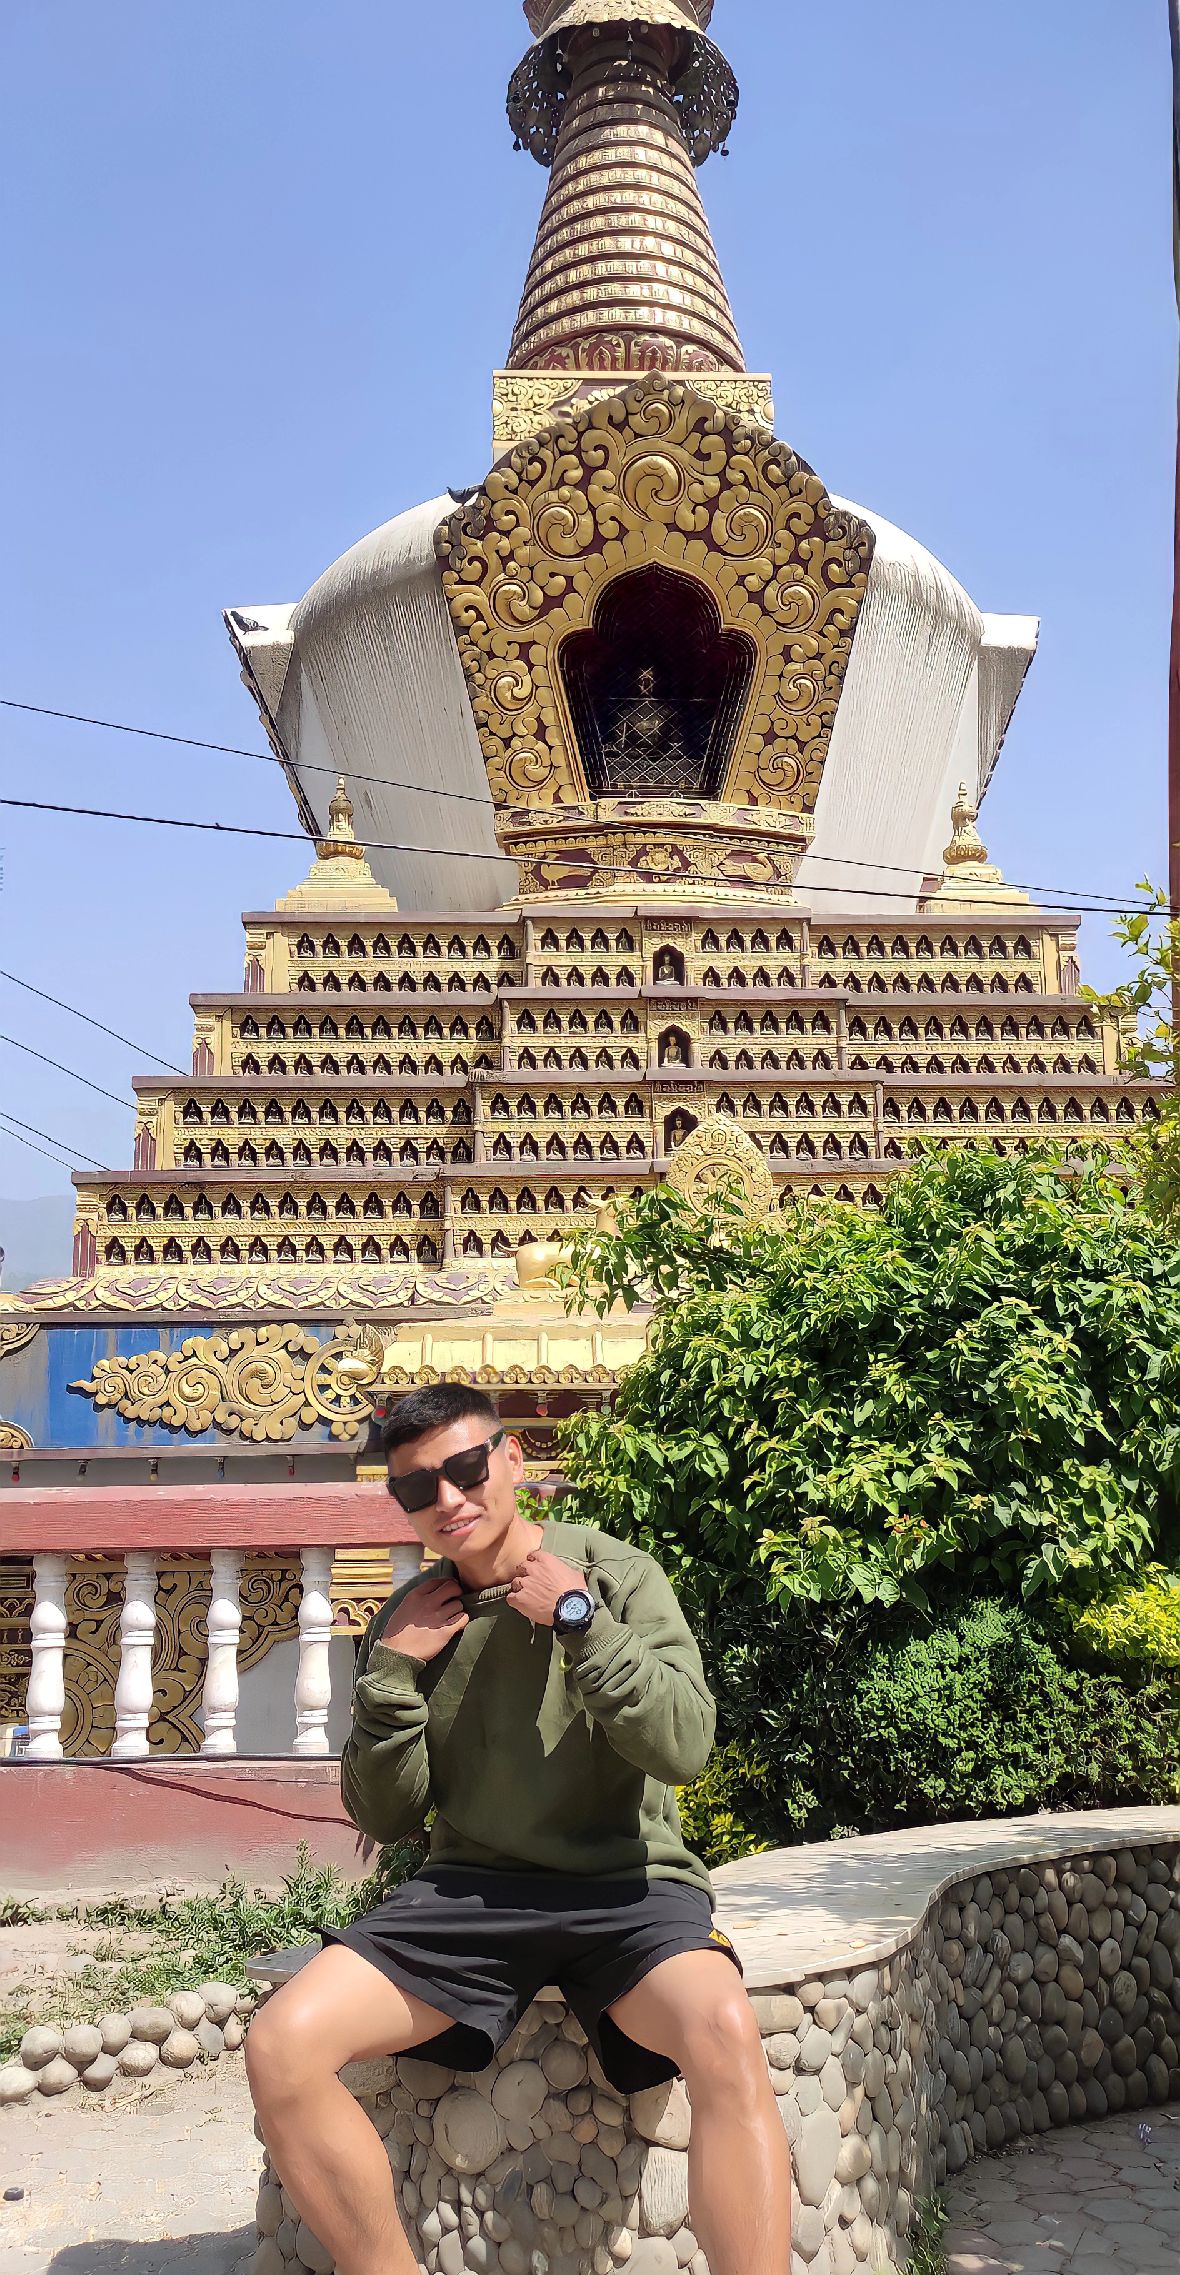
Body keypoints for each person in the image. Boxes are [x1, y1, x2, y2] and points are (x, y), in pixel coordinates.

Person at [246, 1384, 793, 2275]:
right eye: (417, 1487)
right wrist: (391, 1676)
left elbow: (685, 1746)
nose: (448, 1499)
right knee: (280, 2045)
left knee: (724, 2029)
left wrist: (580, 1622)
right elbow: (385, 1815)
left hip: (627, 1886)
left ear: (512, 1460)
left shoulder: (613, 1576)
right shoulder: (411, 1619)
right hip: (471, 1893)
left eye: (466, 1469)